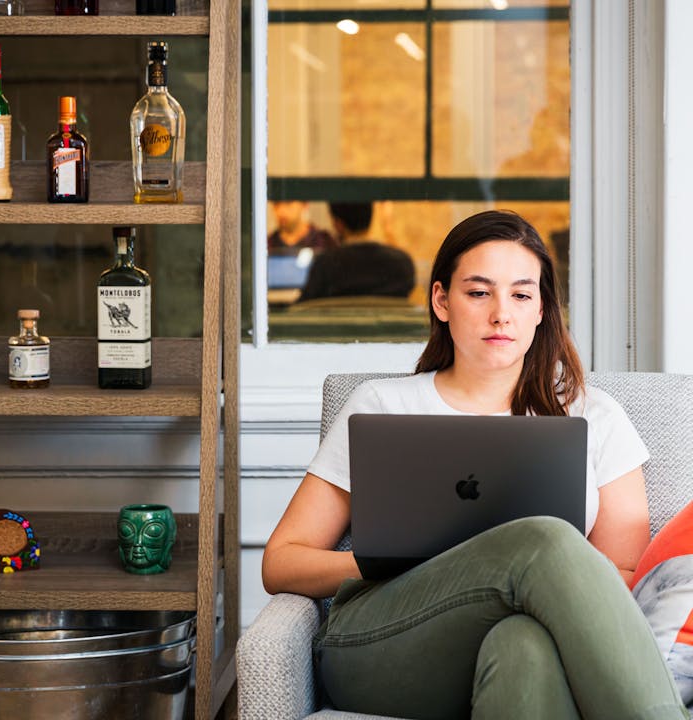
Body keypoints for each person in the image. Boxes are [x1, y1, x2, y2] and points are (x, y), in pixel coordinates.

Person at [262, 210, 687, 720]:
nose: (501, 314)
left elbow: (618, 575)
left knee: (523, 647)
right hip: (382, 642)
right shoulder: (379, 405)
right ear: (442, 300)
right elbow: (281, 561)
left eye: (521, 294)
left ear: (541, 309)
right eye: (479, 292)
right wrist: (408, 561)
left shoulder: (595, 417)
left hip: (522, 638)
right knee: (545, 540)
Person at [298, 202, 415, 302]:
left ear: (338, 224)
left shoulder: (325, 265)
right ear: (371, 216)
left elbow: (303, 308)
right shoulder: (402, 263)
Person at [267, 200, 336, 253]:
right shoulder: (268, 244)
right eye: (276, 204)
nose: (281, 211)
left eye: (288, 203)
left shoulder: (324, 241)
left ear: (304, 204)